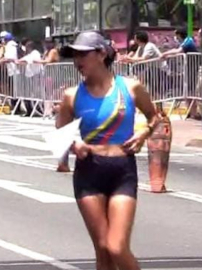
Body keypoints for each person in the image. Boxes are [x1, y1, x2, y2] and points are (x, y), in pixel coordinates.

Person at [56, 31, 159, 270]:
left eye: (83, 54)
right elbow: (60, 131)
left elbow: (155, 117)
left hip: (122, 171)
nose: (77, 61)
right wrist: (74, 144)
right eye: (74, 56)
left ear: (102, 54)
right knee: (102, 250)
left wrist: (144, 132)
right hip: (89, 173)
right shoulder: (71, 95)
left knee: (116, 247)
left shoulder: (131, 88)